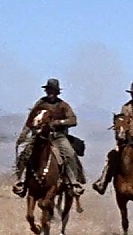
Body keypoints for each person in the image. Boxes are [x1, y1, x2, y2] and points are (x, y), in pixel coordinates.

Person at [14, 78, 87, 208]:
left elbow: (73, 120)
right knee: (25, 154)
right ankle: (21, 181)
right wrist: (23, 135)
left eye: (53, 90)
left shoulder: (63, 105)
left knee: (70, 154)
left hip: (58, 137)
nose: (50, 93)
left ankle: (74, 182)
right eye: (48, 90)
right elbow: (30, 120)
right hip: (40, 137)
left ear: (57, 92)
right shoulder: (40, 104)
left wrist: (58, 123)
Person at [92, 81, 133, 195]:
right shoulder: (125, 107)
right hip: (129, 141)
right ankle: (103, 181)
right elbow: (122, 124)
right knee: (112, 155)